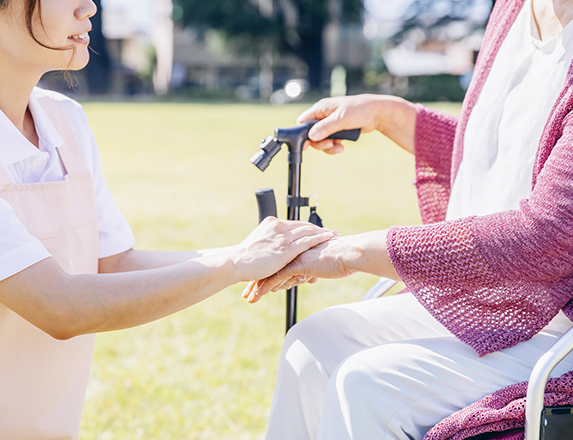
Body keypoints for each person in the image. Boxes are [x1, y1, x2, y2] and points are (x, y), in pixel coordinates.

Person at [0, 1, 338, 438]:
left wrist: (250, 254)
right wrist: (235, 264)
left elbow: (112, 263)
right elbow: (59, 305)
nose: (89, 6)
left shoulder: (65, 121)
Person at [243, 0, 573, 438]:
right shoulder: (513, 9)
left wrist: (347, 253)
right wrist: (390, 115)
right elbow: (507, 160)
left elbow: (545, 236)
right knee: (312, 346)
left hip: (557, 322)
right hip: (490, 300)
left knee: (368, 386)